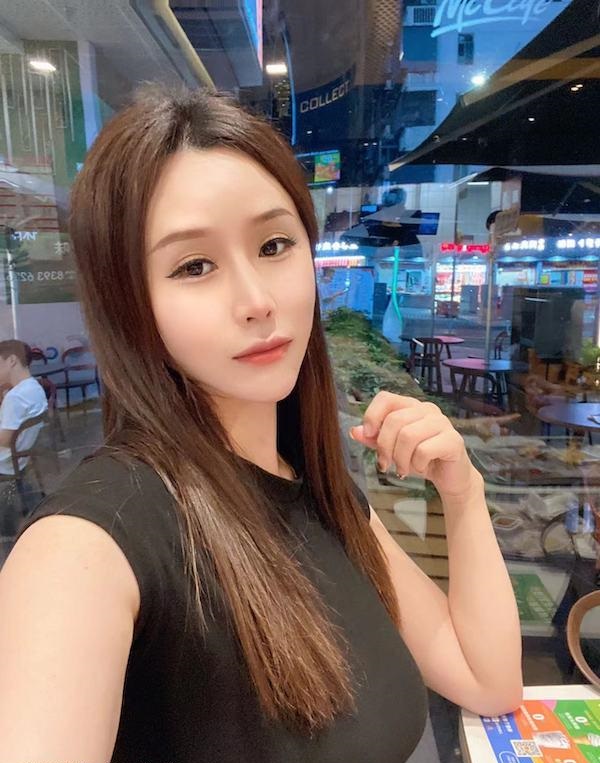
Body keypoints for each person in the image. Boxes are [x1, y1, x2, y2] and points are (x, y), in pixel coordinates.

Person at [0, 86, 523, 763]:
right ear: (130, 304)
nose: (256, 300)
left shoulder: (320, 492)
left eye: (274, 244)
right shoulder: (88, 544)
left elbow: (487, 679)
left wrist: (463, 492)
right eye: (194, 265)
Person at [0, 340, 47, 477]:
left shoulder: (15, 397)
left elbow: (4, 441)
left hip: (6, 462)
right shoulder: (34, 387)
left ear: (12, 360)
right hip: (22, 455)